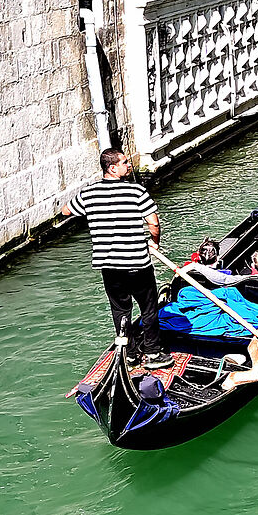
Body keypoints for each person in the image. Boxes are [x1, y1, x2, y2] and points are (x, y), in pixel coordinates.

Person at [71, 149, 164, 361]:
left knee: (120, 310)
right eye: (124, 162)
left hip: (109, 265)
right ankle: (153, 352)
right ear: (112, 168)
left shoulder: (88, 193)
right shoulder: (136, 191)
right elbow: (153, 223)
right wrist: (155, 242)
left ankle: (129, 354)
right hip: (138, 264)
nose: (128, 165)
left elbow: (66, 210)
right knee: (149, 308)